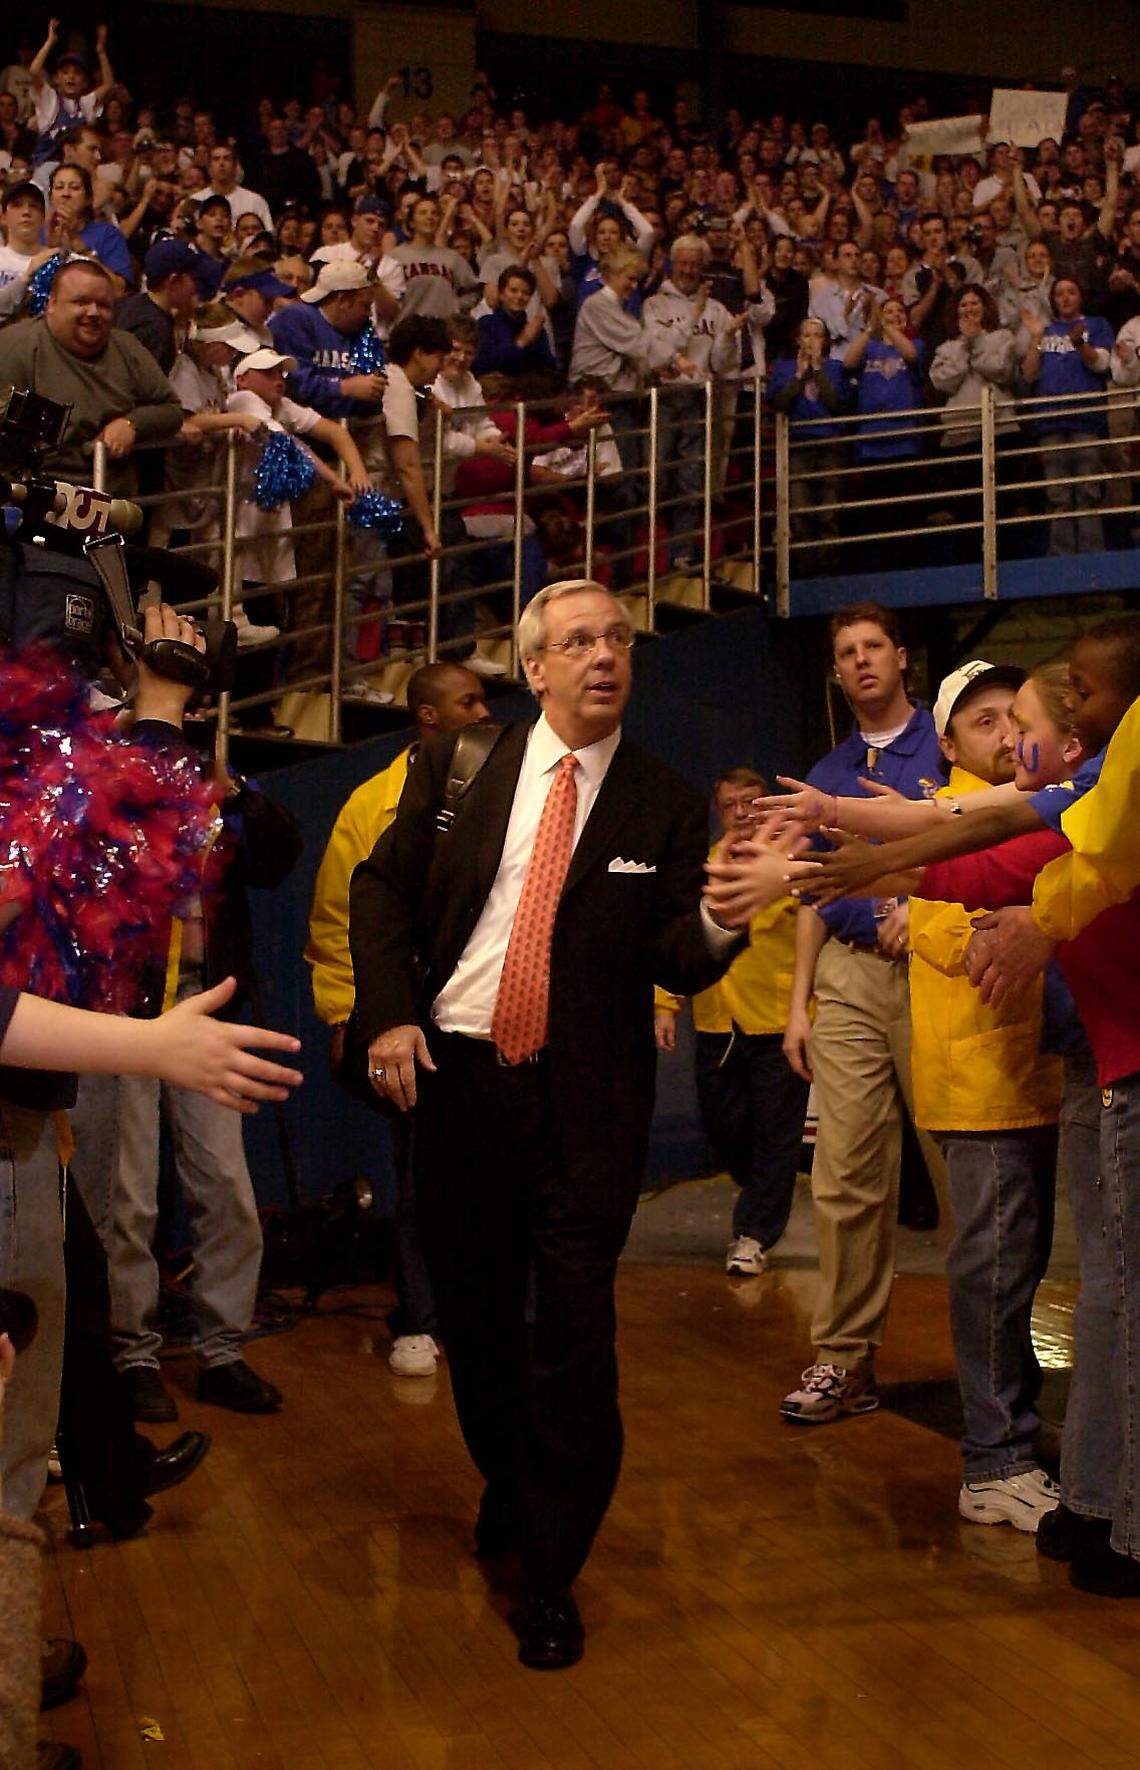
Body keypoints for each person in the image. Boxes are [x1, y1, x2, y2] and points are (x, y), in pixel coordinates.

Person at [349, 580, 792, 1670]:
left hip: (583, 1103)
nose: (605, 656)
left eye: (620, 641)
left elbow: (674, 959)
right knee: (482, 1321)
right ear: (535, 668)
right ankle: (510, 1483)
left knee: (578, 1339)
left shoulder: (665, 802)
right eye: (579, 641)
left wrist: (728, 917)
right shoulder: (459, 768)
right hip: (458, 1083)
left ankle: (552, 1569)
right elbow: (379, 891)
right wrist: (391, 1017)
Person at [706, 601, 947, 1425]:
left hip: (934, 969)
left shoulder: (942, 747)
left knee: (958, 1172)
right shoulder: (828, 771)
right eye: (846, 652)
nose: (861, 661)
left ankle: (994, 1362)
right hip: (847, 977)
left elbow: (973, 842)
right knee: (844, 1176)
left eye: (874, 645)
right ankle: (842, 1359)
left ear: (902, 657)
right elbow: (810, 892)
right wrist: (800, 999)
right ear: (836, 672)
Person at [71, 750, 303, 1424]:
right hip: (126, 1007)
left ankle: (223, 1351)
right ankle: (132, 1355)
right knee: (128, 1190)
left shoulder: (214, 776)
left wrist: (241, 795)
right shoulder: (101, 762)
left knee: (225, 1183)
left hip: (207, 1000)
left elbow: (276, 860)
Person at [908, 662, 1064, 1530]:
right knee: (995, 1265)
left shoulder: (1028, 803)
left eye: (1016, 716)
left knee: (1021, 1264)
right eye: (982, 722)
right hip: (981, 1081)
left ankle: (1012, 1437)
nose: (1005, 735)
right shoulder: (948, 815)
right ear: (947, 740)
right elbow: (939, 925)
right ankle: (993, 1458)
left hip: (1034, 1074)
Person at [306, 662, 491, 1376]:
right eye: (467, 701)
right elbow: (334, 921)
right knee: (418, 1167)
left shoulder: (506, 785)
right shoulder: (370, 805)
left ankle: (481, 1310)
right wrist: (349, 1018)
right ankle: (416, 1319)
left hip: (480, 1014)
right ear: (428, 717)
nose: (483, 710)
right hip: (399, 1017)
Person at [655, 768, 809, 1276]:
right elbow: (678, 938)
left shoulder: (794, 864)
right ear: (718, 812)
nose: (743, 813)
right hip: (720, 1022)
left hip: (778, 1020)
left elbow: (817, 933)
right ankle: (760, 1193)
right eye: (731, 805)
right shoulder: (705, 869)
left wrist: (806, 1014)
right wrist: (664, 1003)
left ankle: (753, 1233)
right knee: (727, 1130)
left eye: (752, 802)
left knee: (776, 1134)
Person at [0, 258, 182, 496]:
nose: (94, 313)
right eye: (81, 302)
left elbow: (171, 410)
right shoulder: (14, 346)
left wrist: (132, 424)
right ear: (52, 304)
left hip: (112, 497)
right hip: (33, 498)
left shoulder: (127, 347)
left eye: (104, 305)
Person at [1017, 278, 1113, 555]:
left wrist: (1081, 344)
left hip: (1086, 419)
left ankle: (1093, 565)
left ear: (1080, 296)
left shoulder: (1096, 325)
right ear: (1053, 299)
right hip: (1049, 420)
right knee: (1057, 496)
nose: (1065, 297)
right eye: (1059, 293)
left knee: (1087, 494)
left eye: (1071, 291)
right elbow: (1029, 374)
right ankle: (1062, 565)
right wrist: (1035, 337)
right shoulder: (1044, 331)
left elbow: (1102, 364)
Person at [767, 316, 847, 575]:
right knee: (800, 512)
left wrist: (817, 370)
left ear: (824, 342)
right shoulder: (783, 367)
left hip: (829, 444)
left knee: (828, 512)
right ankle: (803, 572)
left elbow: (836, 403)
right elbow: (779, 403)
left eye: (817, 335)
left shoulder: (835, 368)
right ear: (799, 340)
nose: (812, 340)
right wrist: (800, 376)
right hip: (797, 444)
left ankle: (828, 571)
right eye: (807, 335)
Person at [268, 258, 388, 418]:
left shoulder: (363, 329)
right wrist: (344, 388)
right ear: (343, 301)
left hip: (352, 428)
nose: (369, 313)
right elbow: (293, 385)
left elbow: (373, 386)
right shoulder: (295, 320)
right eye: (365, 306)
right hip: (300, 428)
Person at [112, 237, 205, 374]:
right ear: (173, 281)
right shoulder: (155, 330)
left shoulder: (130, 304)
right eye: (194, 278)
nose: (197, 286)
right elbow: (143, 390)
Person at [473, 266, 558, 380]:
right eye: (513, 290)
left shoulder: (536, 330)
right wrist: (521, 341)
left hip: (528, 391)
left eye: (525, 293)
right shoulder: (486, 324)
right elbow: (481, 365)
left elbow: (549, 368)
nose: (519, 296)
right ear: (502, 294)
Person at [202, 141, 272, 234]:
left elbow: (268, 235)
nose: (221, 163)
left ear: (235, 166)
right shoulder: (195, 200)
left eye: (226, 159)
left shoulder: (255, 201)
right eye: (216, 159)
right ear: (209, 168)